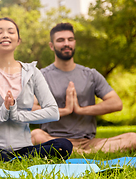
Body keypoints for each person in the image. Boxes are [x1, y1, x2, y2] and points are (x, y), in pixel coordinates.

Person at [0, 18, 72, 161]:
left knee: (64, 145)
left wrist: (17, 116)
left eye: (10, 32)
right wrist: (0, 116)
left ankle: (7, 159)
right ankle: (3, 157)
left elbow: (53, 112)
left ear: (18, 40)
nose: (5, 35)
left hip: (24, 148)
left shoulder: (33, 72)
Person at [31, 23, 136, 153]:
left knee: (133, 138)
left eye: (70, 39)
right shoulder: (41, 76)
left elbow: (116, 103)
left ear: (74, 42)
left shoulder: (91, 75)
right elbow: (30, 109)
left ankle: (78, 152)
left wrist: (80, 110)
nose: (66, 43)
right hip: (53, 139)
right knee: (35, 135)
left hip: (88, 142)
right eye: (60, 40)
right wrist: (64, 110)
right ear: (51, 46)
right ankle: (85, 153)